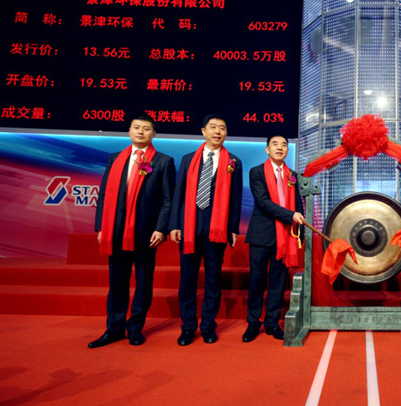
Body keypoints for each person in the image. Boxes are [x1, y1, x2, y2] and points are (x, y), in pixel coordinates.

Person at [90, 113, 176, 348]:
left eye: (146, 128)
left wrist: (161, 228)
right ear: (129, 131)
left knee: (143, 282)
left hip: (146, 233)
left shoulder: (163, 161)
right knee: (117, 282)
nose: (140, 132)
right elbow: (104, 194)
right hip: (116, 230)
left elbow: (168, 199)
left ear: (153, 134)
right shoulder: (116, 159)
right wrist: (101, 226)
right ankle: (114, 328)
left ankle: (136, 328)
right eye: (136, 127)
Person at [169, 114, 242, 346]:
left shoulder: (234, 162)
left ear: (226, 133)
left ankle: (208, 326)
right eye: (213, 127)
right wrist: (175, 224)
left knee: (213, 281)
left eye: (222, 128)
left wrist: (232, 228)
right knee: (187, 281)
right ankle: (188, 327)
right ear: (203, 131)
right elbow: (178, 194)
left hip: (216, 230)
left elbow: (235, 199)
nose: (217, 131)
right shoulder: (188, 159)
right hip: (189, 229)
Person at [242, 135, 305, 342]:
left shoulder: (292, 175)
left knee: (278, 282)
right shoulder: (257, 172)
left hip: (285, 236)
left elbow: (297, 204)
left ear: (287, 150)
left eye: (284, 145)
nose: (280, 148)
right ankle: (253, 323)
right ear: (267, 149)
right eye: (275, 144)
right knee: (257, 281)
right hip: (261, 235)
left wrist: (299, 233)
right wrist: (290, 215)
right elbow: (263, 202)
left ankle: (272, 322)